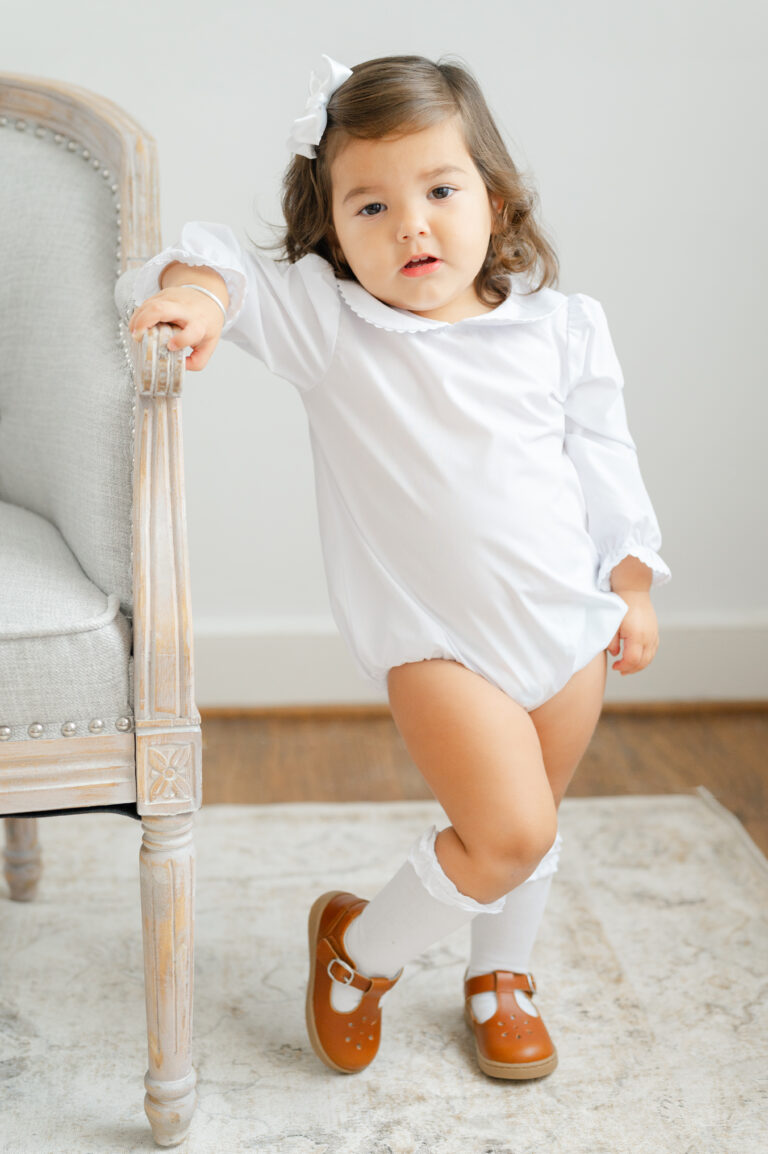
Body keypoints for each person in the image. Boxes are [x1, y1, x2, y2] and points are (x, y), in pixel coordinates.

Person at [121, 53, 671, 1082]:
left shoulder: (563, 328)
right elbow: (213, 261)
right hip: (437, 641)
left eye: (440, 190)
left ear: (494, 200)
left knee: (530, 829)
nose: (411, 225)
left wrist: (630, 580)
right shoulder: (335, 326)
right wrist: (197, 295)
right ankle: (359, 952)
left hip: (568, 627)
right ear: (334, 231)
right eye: (371, 205)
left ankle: (499, 975)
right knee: (505, 831)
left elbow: (607, 462)